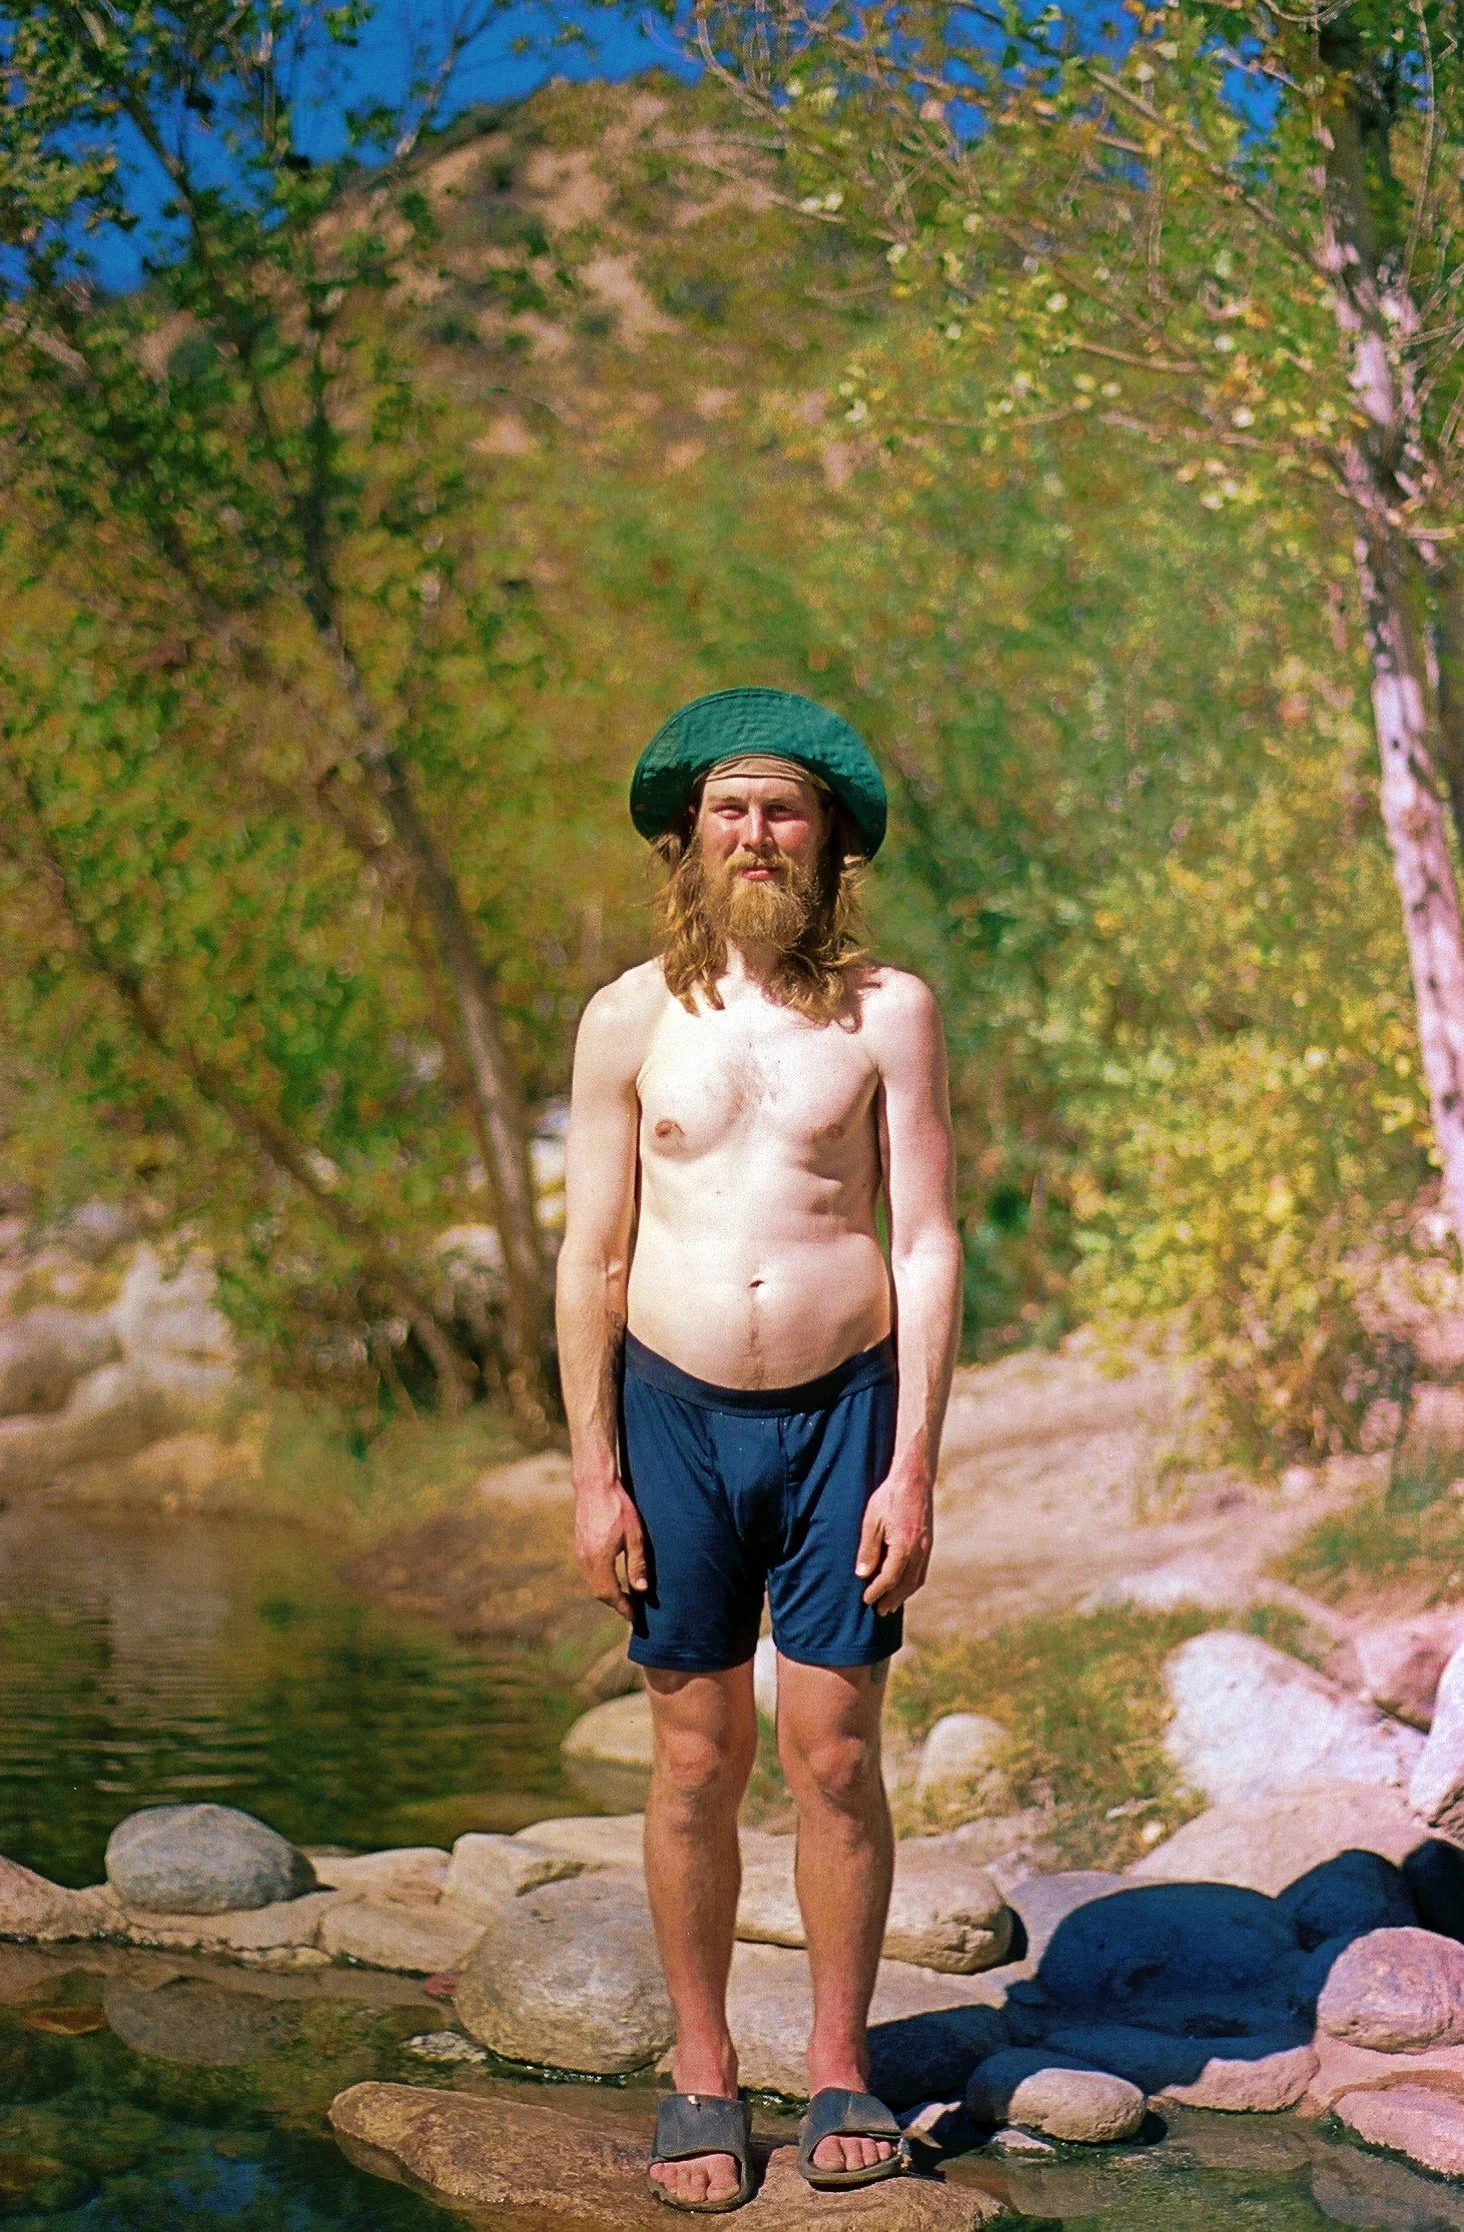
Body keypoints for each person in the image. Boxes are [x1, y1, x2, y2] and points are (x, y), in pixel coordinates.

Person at [556, 687, 962, 2214]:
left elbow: (925, 1242)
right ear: (687, 837)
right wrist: (592, 1471)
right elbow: (593, 1256)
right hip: (670, 1413)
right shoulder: (627, 1019)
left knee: (835, 1754)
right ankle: (704, 2069)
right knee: (691, 1755)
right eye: (730, 809)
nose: (756, 833)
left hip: (844, 1410)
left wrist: (913, 1463)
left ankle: (842, 2063)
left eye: (783, 809)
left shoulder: (889, 1012)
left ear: (829, 839)